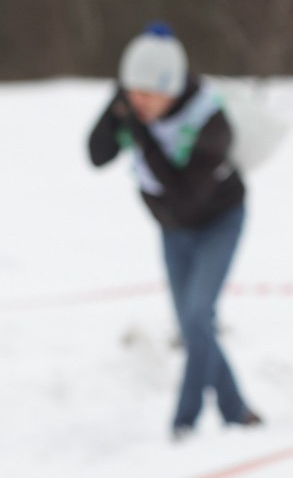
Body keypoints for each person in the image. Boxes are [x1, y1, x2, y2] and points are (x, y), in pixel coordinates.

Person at [88, 22, 262, 439]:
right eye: (132, 93)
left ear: (172, 87)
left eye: (148, 96)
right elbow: (97, 155)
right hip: (171, 228)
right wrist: (116, 111)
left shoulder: (211, 121)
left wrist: (142, 132)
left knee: (199, 315)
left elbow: (184, 195)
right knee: (190, 324)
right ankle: (237, 411)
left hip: (218, 221)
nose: (139, 103)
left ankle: (184, 421)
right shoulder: (133, 103)